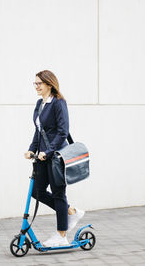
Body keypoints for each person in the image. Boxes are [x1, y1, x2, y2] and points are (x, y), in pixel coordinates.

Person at [24, 70, 84, 247]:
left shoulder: (59, 103)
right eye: (35, 83)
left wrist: (48, 151)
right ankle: (71, 212)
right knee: (37, 192)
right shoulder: (39, 104)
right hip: (42, 157)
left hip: (56, 157)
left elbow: (62, 132)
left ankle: (61, 235)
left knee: (59, 194)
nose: (36, 86)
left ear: (49, 84)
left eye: (39, 83)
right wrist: (31, 149)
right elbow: (39, 131)